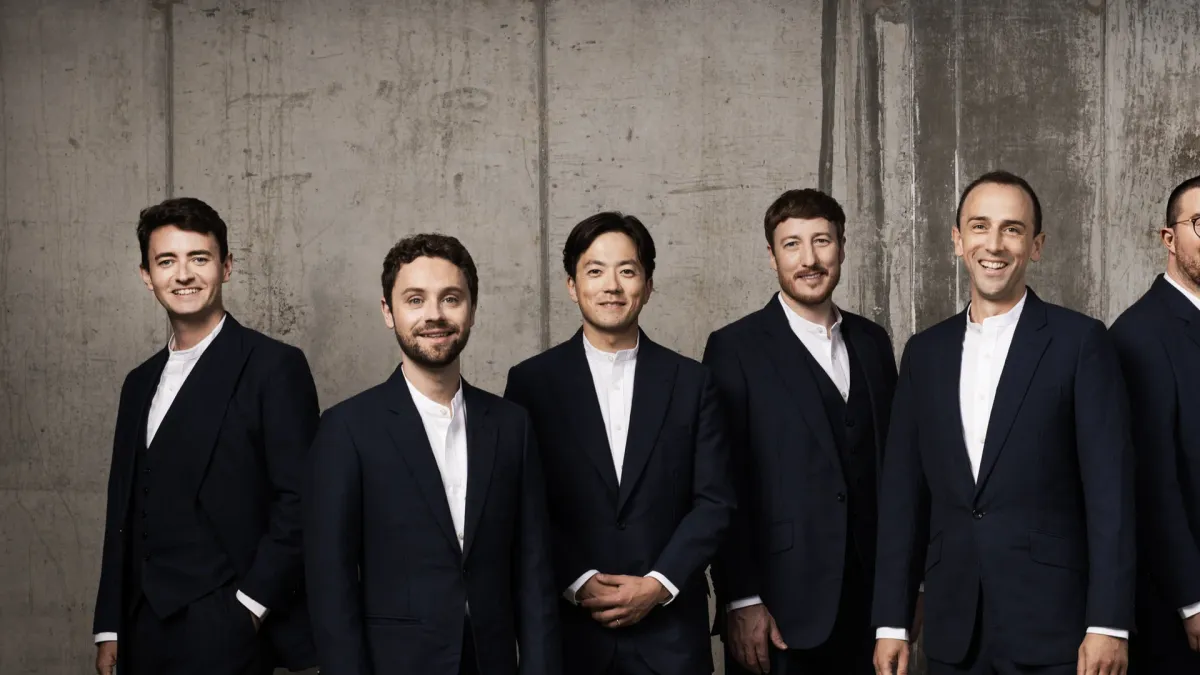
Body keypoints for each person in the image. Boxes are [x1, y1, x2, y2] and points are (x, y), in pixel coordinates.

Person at [872, 172, 1135, 675]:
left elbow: (1112, 493)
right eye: (979, 226)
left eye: (1012, 229)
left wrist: (1109, 622)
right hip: (953, 629)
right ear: (958, 240)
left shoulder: (1081, 342)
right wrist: (891, 622)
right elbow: (903, 495)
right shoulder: (923, 353)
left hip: (1055, 627)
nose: (994, 244)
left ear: (1036, 246)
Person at [305, 233, 561, 675]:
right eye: (415, 300)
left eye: (450, 298)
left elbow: (534, 572)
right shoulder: (346, 428)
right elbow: (331, 584)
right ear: (388, 311)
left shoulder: (511, 425)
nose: (434, 315)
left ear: (472, 309)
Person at [92, 197, 319, 675]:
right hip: (139, 625)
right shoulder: (138, 382)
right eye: (166, 261)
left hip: (227, 623)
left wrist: (250, 609)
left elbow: (301, 501)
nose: (183, 275)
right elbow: (123, 509)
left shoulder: (274, 366)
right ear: (146, 275)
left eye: (199, 258)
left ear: (226, 266)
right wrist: (109, 625)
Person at [503, 212, 734, 675]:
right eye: (595, 271)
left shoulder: (692, 382)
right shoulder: (531, 384)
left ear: (648, 285)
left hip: (671, 637)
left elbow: (716, 501)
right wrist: (580, 581)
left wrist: (658, 584)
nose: (612, 286)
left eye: (627, 271)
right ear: (572, 286)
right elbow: (521, 504)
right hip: (571, 635)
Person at [702, 189, 901, 674]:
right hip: (778, 608)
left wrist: (903, 593)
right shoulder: (734, 349)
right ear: (773, 257)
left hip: (871, 608)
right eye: (792, 244)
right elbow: (720, 483)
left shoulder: (873, 342)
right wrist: (741, 598)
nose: (809, 259)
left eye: (821, 241)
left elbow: (896, 472)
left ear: (842, 248)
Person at [1110, 175, 1200, 673]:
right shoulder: (1138, 335)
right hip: (1180, 606)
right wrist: (1192, 599)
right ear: (1169, 237)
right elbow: (1152, 485)